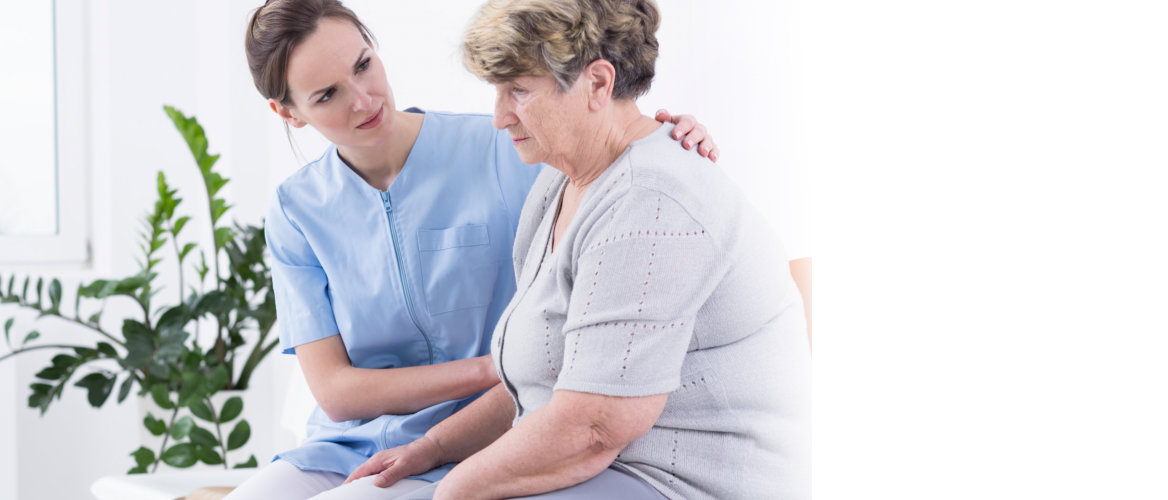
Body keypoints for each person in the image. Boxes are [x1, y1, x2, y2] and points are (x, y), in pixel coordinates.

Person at [230, 1, 720, 498]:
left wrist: (665, 136)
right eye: (328, 94)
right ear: (288, 113)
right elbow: (336, 393)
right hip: (346, 444)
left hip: (494, 432)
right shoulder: (297, 210)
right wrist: (496, 366)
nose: (363, 99)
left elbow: (613, 169)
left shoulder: (507, 146)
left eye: (363, 65)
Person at [344, 0, 811, 498]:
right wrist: (432, 448)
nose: (499, 117)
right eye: (498, 91)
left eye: (518, 91)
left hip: (677, 482)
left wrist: (450, 491)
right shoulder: (559, 183)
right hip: (600, 463)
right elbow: (540, 382)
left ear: (597, 84)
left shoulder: (650, 201)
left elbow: (593, 429)